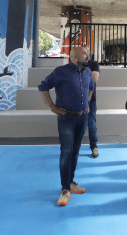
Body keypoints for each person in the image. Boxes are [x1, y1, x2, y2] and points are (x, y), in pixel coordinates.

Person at [38, 46, 94, 206]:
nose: (88, 55)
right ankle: (64, 189)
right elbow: (42, 87)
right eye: (85, 53)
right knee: (66, 152)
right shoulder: (60, 72)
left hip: (83, 117)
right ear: (74, 57)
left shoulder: (88, 72)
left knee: (75, 151)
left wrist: (87, 103)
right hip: (66, 118)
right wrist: (52, 106)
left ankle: (70, 182)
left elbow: (91, 88)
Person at [85, 47, 100, 158]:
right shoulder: (75, 63)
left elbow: (94, 79)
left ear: (89, 53)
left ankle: (94, 146)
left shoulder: (94, 64)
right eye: (83, 51)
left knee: (91, 124)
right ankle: (73, 147)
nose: (85, 53)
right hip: (75, 100)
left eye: (86, 51)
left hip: (90, 100)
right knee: (75, 124)